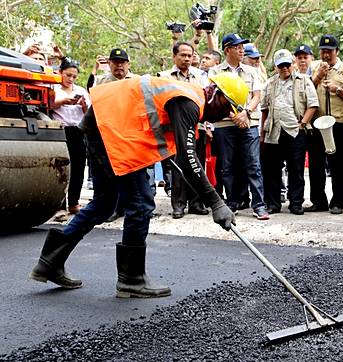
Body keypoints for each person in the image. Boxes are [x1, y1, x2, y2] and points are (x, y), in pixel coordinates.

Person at [29, 72, 242, 298]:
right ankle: (132, 280)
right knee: (140, 203)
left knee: (104, 203)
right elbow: (188, 159)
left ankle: (49, 261)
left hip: (102, 126)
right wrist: (216, 202)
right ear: (215, 94)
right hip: (113, 131)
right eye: (227, 106)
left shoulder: (186, 96)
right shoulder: (190, 103)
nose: (226, 114)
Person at [209, 33, 269, 220]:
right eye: (237, 47)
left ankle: (259, 205)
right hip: (225, 124)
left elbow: (257, 96)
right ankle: (232, 202)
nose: (242, 50)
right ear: (227, 50)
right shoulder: (215, 72)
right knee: (228, 166)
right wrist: (234, 116)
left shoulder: (251, 71)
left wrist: (246, 113)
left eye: (243, 47)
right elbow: (212, 99)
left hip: (249, 122)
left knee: (253, 164)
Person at [261, 49, 319, 214]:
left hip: (295, 130)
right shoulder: (270, 83)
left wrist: (303, 123)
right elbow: (265, 108)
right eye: (281, 66)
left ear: (292, 64)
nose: (285, 68)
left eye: (287, 64)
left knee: (296, 169)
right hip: (274, 130)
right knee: (272, 169)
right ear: (276, 67)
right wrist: (262, 132)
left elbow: (313, 104)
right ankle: (273, 204)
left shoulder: (304, 80)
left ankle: (296, 203)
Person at [158, 41, 210, 219]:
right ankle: (178, 205)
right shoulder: (164, 77)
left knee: (197, 165)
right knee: (179, 166)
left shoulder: (201, 76)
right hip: (174, 131)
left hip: (198, 129)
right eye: (183, 55)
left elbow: (206, 102)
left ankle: (196, 203)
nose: (187, 59)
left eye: (190, 55)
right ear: (174, 56)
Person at [308, 34, 343, 214]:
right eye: (323, 51)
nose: (326, 55)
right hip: (316, 123)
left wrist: (337, 90)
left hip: (338, 124)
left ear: (337, 51)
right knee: (315, 165)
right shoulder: (312, 67)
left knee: (337, 165)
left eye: (329, 52)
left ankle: (338, 201)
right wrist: (317, 77)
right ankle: (318, 201)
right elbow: (305, 93)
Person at [93, 48, 141, 223]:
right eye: (115, 62)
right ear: (110, 64)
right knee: (112, 174)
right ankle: (113, 208)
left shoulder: (137, 81)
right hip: (110, 134)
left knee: (132, 173)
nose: (119, 66)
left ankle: (130, 208)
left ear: (128, 64)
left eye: (122, 62)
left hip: (132, 134)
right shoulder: (101, 83)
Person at [51, 58, 91, 216]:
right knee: (60, 168)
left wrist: (83, 105)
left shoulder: (81, 90)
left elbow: (88, 112)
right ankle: (60, 204)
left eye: (74, 76)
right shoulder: (53, 88)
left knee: (79, 168)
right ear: (61, 73)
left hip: (78, 130)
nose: (71, 79)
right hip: (60, 130)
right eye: (68, 75)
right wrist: (63, 101)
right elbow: (49, 105)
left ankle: (74, 202)